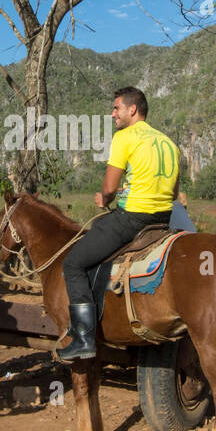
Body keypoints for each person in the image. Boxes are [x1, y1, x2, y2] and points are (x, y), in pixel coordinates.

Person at [58, 87, 180, 362]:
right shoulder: (168, 143)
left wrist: (106, 197)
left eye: (116, 108)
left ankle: (83, 339)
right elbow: (172, 194)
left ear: (132, 109)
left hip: (132, 219)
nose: (112, 114)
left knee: (74, 263)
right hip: (162, 219)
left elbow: (110, 187)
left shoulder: (125, 137)